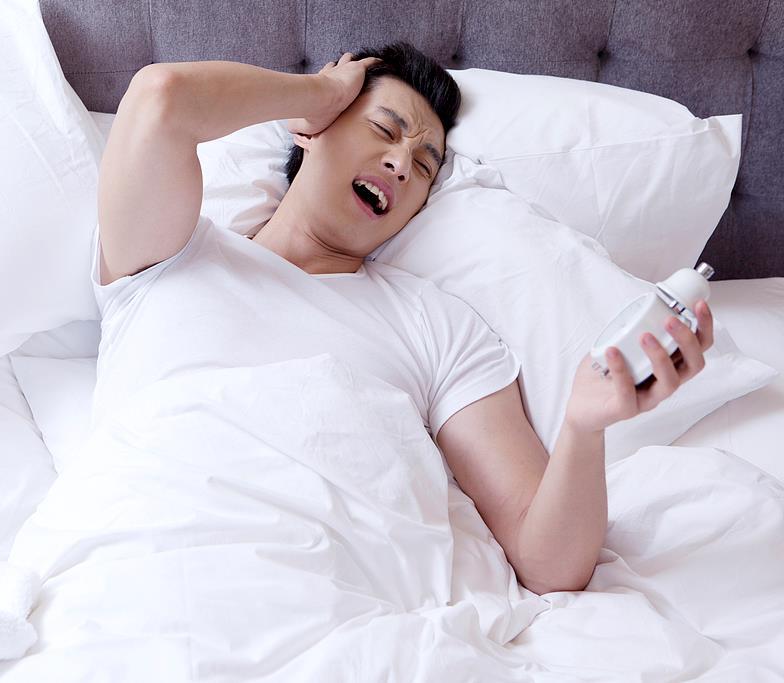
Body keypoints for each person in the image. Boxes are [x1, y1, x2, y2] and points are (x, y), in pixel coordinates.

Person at [91, 42, 714, 595]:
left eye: (424, 166)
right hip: (142, 563)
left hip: (334, 598)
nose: (400, 163)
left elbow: (547, 562)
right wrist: (316, 94)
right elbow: (160, 97)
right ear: (313, 130)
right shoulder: (171, 254)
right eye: (383, 130)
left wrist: (584, 427)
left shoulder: (436, 327)